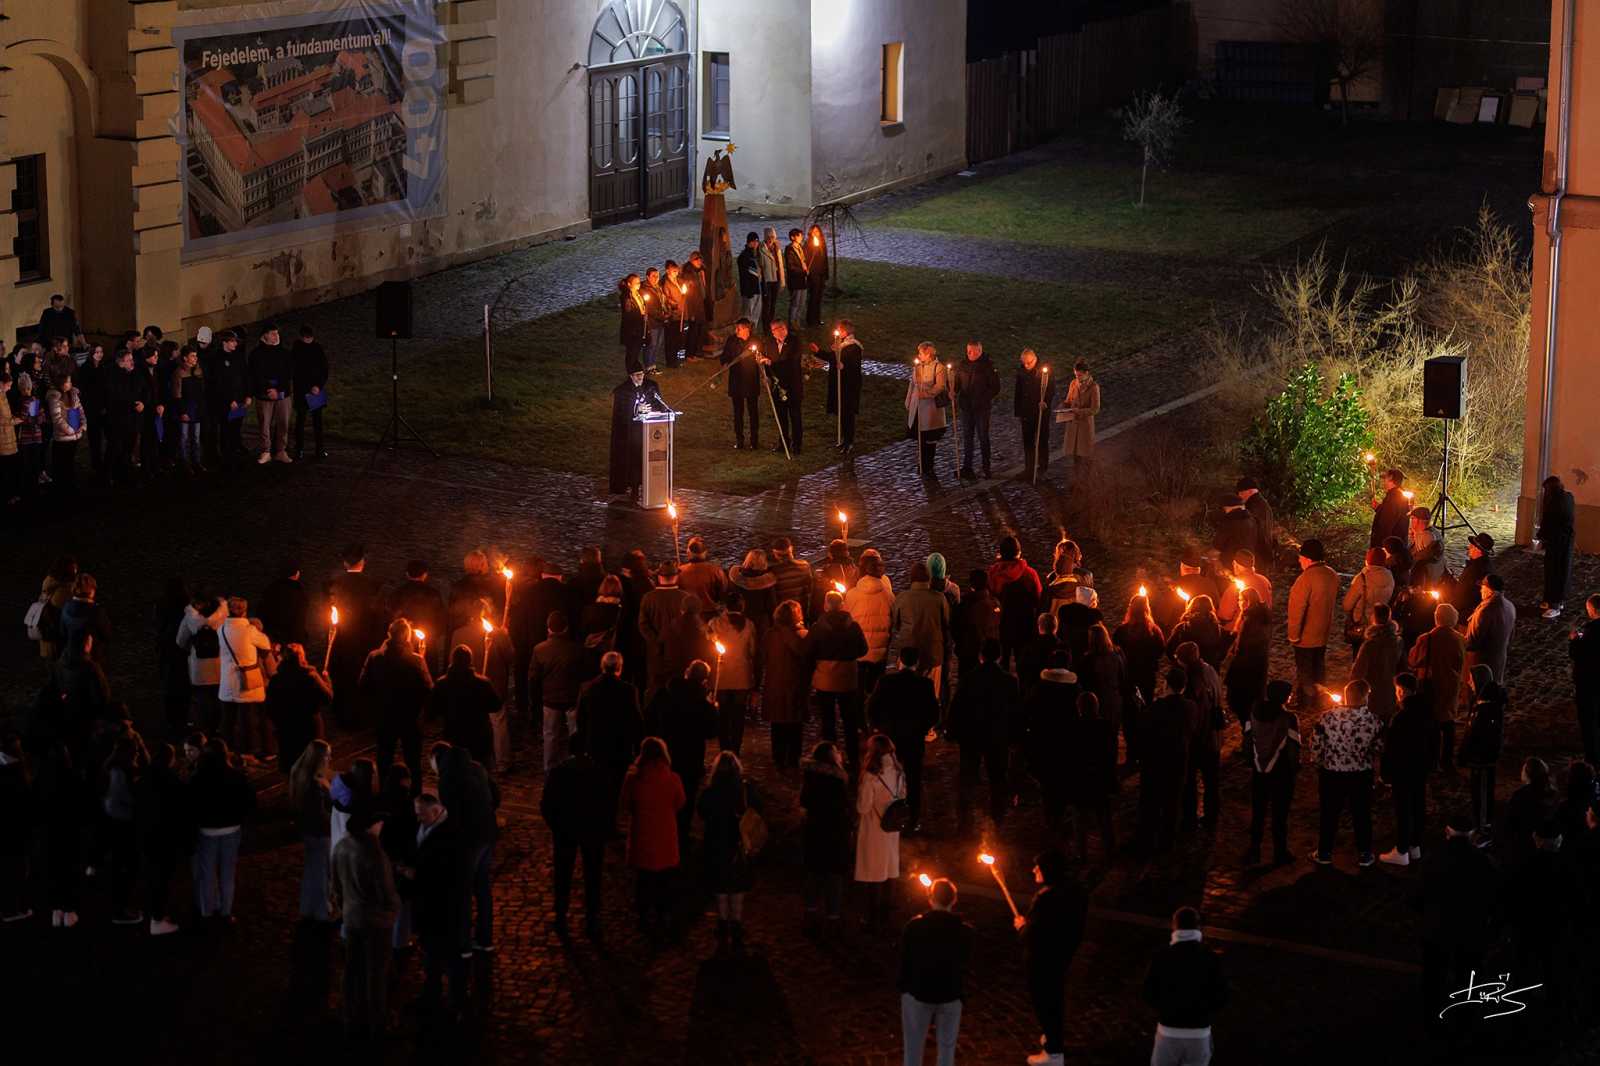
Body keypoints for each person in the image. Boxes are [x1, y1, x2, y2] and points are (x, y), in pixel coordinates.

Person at [1014, 850, 1088, 1066]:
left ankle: (1054, 1053)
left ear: (1048, 870)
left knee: (1045, 1003)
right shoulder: (1073, 892)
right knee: (1054, 999)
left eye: (1038, 866)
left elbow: (1033, 935)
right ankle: (1052, 1036)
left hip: (1043, 962)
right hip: (1061, 957)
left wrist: (1022, 927)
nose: (1034, 869)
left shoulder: (1047, 899)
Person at [332, 806, 399, 1039]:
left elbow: (336, 885)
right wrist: (392, 912)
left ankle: (350, 1015)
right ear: (369, 827)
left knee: (352, 969)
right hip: (375, 921)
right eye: (378, 822)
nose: (381, 826)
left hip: (352, 917)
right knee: (377, 973)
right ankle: (377, 1022)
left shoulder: (341, 847)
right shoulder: (375, 854)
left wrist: (344, 907)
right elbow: (386, 892)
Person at [432, 741, 499, 954]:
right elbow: (496, 796)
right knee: (483, 889)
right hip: (488, 834)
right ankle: (485, 939)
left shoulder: (447, 779)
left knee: (462, 891)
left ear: (436, 759)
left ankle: (463, 943)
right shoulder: (477, 767)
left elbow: (453, 816)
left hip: (468, 841)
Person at [540, 738, 610, 941]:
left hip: (566, 830)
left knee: (563, 874)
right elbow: (608, 803)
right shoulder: (598, 772)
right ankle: (592, 918)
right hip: (592, 830)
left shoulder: (559, 772)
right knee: (593, 875)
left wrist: (556, 826)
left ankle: (561, 917)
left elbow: (547, 805)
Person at [898, 877, 972, 1066]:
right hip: (951, 995)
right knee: (947, 1049)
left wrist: (904, 988)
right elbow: (966, 963)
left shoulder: (914, 927)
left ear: (930, 899)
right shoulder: (965, 931)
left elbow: (905, 960)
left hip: (918, 993)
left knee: (913, 1048)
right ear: (954, 900)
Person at [645, 660, 719, 845]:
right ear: (703, 680)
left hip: (666, 753)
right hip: (690, 757)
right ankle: (680, 835)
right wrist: (714, 710)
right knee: (685, 797)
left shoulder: (666, 692)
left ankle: (662, 832)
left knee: (663, 794)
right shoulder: (702, 703)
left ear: (687, 673)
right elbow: (711, 732)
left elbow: (650, 717)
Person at [1143, 906, 1229, 1066]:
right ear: (1198, 927)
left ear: (1175, 926)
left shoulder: (1161, 956)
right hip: (1199, 1031)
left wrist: (1165, 1008)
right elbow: (1222, 996)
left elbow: (1148, 993)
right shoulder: (1211, 958)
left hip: (1168, 1028)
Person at [620, 736, 685, 942]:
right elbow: (680, 802)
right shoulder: (672, 778)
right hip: (665, 837)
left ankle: (643, 915)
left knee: (644, 880)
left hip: (643, 837)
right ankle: (662, 914)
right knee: (664, 881)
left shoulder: (633, 779)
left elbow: (625, 803)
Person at [1312, 680, 1384, 866]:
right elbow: (1378, 749)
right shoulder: (1374, 721)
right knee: (1362, 814)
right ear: (1365, 696)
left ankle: (1325, 853)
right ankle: (1365, 853)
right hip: (1360, 774)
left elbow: (1316, 747)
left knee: (1329, 813)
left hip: (1331, 773)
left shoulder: (1326, 718)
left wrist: (1320, 763)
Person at [868, 648, 940, 830]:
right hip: (913, 738)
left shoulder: (886, 681)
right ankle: (913, 818)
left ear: (900, 661)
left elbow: (872, 706)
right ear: (916, 663)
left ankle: (884, 811)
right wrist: (923, 729)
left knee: (886, 773)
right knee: (914, 777)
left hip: (890, 737)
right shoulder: (925, 684)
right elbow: (933, 713)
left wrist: (878, 727)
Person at [949, 638, 1015, 835]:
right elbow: (1014, 710)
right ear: (1000, 656)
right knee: (998, 779)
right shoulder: (1009, 682)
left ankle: (965, 821)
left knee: (968, 778)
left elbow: (958, 707)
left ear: (981, 656)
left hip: (972, 736)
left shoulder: (969, 679)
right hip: (997, 737)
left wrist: (953, 730)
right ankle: (998, 819)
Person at [408, 792, 466, 1013]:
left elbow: (445, 873)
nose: (418, 819)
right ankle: (433, 993)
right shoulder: (430, 827)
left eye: (421, 814)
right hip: (431, 906)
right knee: (432, 952)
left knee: (449, 954)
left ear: (435, 811)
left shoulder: (449, 835)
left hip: (444, 907)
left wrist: (415, 874)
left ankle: (454, 1000)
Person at [698, 750, 760, 955]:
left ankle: (723, 923)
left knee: (721, 888)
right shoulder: (744, 790)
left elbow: (702, 813)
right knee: (737, 887)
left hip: (716, 845)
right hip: (738, 845)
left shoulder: (710, 792)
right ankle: (737, 924)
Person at [575, 651, 643, 831]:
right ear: (619, 668)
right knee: (614, 788)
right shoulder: (628, 690)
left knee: (596, 784)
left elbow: (580, 719)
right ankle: (609, 823)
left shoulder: (587, 688)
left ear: (602, 666)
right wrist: (637, 747)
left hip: (595, 743)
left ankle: (595, 819)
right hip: (619, 746)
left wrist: (582, 741)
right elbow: (635, 720)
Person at [190, 737, 255, 922]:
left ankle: (207, 911)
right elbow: (249, 802)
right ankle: (226, 911)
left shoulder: (198, 777)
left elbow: (191, 805)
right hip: (231, 829)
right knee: (228, 873)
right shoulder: (236, 776)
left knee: (207, 873)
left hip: (207, 831)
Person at [1242, 680, 1300, 866]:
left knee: (1258, 812)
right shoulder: (1289, 718)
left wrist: (1252, 761)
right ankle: (1280, 852)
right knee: (1279, 814)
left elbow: (1247, 739)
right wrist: (1294, 768)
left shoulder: (1253, 713)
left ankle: (1254, 850)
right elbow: (1293, 747)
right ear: (1284, 697)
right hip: (1281, 771)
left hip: (1259, 770)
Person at [1139, 668, 1194, 856]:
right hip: (1178, 759)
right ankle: (1167, 842)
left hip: (1156, 760)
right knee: (1173, 802)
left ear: (1166, 684)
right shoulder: (1190, 707)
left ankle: (1147, 840)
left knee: (1152, 801)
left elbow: (1146, 731)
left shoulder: (1157, 707)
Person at [810, 588, 870, 761]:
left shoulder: (817, 628)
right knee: (849, 720)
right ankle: (853, 756)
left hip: (825, 679)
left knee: (828, 720)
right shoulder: (853, 627)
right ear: (842, 605)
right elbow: (863, 649)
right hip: (848, 679)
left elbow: (809, 651)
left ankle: (829, 756)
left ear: (826, 606)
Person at [1378, 678, 1432, 867]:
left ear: (1402, 691)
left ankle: (1401, 850)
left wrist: (1385, 774)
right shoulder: (1427, 712)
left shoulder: (1400, 718)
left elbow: (1390, 749)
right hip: (1421, 769)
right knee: (1418, 805)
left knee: (1403, 810)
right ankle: (1415, 846)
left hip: (1403, 770)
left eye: (1397, 690)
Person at [1026, 651, 1082, 831]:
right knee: (1063, 777)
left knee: (1047, 780)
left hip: (1044, 740)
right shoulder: (1075, 688)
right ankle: (1059, 815)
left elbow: (1030, 712)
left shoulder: (1040, 687)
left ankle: (1050, 816)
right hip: (1066, 741)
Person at [855, 734, 906, 932]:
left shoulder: (871, 775)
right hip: (892, 828)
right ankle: (886, 914)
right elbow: (903, 796)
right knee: (888, 870)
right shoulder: (899, 771)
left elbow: (863, 807)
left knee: (874, 873)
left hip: (874, 828)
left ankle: (872, 918)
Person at [800, 741, 851, 933]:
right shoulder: (839, 780)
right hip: (834, 833)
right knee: (834, 877)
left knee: (814, 874)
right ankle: (833, 917)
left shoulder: (810, 777)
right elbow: (843, 807)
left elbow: (804, 800)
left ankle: (810, 914)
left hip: (814, 831)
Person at [1408, 602, 1465, 771]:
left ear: (1436, 618)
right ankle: (1446, 760)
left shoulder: (1427, 638)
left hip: (1431, 686)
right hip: (1451, 685)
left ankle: (1432, 760)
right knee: (1448, 723)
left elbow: (1414, 661)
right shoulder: (1460, 638)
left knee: (1432, 723)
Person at [216, 597, 272, 765]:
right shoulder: (249, 630)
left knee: (228, 718)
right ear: (244, 611)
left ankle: (226, 749)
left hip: (228, 680)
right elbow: (266, 644)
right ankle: (250, 751)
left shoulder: (221, 629)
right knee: (248, 719)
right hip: (246, 681)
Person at [428, 644, 500, 769]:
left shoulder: (442, 683)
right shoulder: (482, 683)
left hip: (453, 735)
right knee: (478, 772)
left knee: (455, 771)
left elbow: (433, 709)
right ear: (470, 661)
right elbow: (495, 705)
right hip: (478, 736)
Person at [1175, 642, 1223, 831]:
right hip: (1213, 736)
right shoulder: (1210, 671)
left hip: (1199, 740)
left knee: (1190, 781)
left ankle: (1190, 818)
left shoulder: (1191, 684)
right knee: (1212, 780)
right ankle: (1211, 816)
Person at [1286, 539, 1339, 709]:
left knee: (1305, 671)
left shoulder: (1305, 579)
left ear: (1307, 559)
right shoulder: (1331, 574)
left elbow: (1297, 611)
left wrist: (1293, 635)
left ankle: (1306, 703)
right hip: (1323, 633)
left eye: (1301, 558)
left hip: (1306, 636)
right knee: (1319, 667)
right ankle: (1321, 698)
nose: (1299, 561)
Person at [1455, 666, 1505, 842]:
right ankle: (1483, 824)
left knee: (1481, 793)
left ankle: (1482, 828)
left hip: (1481, 759)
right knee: (1482, 792)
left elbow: (1474, 735)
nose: (1468, 682)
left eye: (1471, 679)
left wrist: (1464, 754)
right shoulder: (1487, 704)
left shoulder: (1485, 709)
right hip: (1483, 758)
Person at [1068, 691, 1118, 863]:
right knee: (1104, 818)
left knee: (1079, 820)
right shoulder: (1106, 727)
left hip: (1081, 780)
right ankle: (1110, 850)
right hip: (1100, 778)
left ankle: (1081, 853)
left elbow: (1070, 756)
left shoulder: (1074, 727)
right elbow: (1111, 754)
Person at [890, 562, 953, 699]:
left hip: (908, 653)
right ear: (928, 578)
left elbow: (896, 624)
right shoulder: (939, 598)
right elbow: (946, 623)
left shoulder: (902, 598)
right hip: (933, 653)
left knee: (907, 694)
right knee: (932, 695)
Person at [266, 643, 331, 775]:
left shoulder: (275, 679)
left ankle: (294, 792)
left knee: (291, 767)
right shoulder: (310, 676)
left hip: (286, 730)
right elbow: (328, 697)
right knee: (312, 767)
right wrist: (326, 678)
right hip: (309, 729)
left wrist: (278, 723)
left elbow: (270, 707)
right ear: (301, 657)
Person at [288, 739, 333, 922]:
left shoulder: (299, 774)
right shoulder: (315, 784)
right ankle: (322, 911)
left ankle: (307, 908)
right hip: (320, 832)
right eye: (328, 756)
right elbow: (321, 813)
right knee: (322, 874)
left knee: (311, 871)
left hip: (306, 831)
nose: (330, 759)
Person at [607, 368, 668, 502]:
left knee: (649, 459)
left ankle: (651, 487)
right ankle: (634, 489)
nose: (640, 377)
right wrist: (636, 409)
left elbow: (659, 404)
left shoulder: (651, 386)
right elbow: (621, 413)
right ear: (630, 375)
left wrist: (655, 410)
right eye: (637, 375)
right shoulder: (623, 390)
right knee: (634, 461)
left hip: (650, 432)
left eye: (642, 374)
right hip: (632, 434)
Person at [709, 591, 758, 754]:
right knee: (738, 715)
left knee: (723, 714)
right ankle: (736, 748)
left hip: (721, 675)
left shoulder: (714, 623)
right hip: (741, 676)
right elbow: (752, 650)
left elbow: (709, 646)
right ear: (741, 606)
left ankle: (724, 748)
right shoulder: (749, 625)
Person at [845, 550, 895, 694]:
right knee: (876, 687)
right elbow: (894, 619)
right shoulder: (889, 595)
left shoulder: (852, 594)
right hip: (880, 650)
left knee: (858, 686)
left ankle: (859, 709)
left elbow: (847, 618)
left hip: (859, 649)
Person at [990, 536, 1043, 668]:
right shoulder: (1030, 574)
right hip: (1025, 624)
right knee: (1023, 661)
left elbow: (991, 596)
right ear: (1018, 553)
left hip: (1003, 623)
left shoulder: (994, 573)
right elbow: (1038, 597)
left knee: (1003, 660)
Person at [1348, 602, 1403, 723]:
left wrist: (1352, 690)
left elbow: (1358, 671)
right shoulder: (1398, 641)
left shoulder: (1370, 645)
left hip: (1372, 694)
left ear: (1374, 618)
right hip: (1390, 693)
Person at [952, 341, 999, 480]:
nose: (969, 354)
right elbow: (957, 383)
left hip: (981, 409)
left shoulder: (988, 366)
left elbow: (995, 387)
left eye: (972, 351)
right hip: (967, 407)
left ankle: (986, 467)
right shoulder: (963, 365)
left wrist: (983, 398)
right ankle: (967, 467)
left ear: (979, 351)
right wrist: (953, 390)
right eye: (968, 351)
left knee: (983, 437)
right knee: (968, 438)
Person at [815, 319, 862, 452]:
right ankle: (843, 438)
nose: (838, 332)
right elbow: (832, 357)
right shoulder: (839, 344)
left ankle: (849, 441)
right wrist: (818, 351)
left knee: (848, 412)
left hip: (848, 385)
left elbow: (854, 365)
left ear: (846, 331)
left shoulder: (854, 347)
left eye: (840, 330)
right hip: (838, 382)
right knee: (841, 411)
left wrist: (844, 366)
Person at [905, 342, 950, 477]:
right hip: (917, 408)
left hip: (930, 410)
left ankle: (928, 465)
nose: (918, 356)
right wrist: (908, 401)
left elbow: (940, 386)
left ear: (928, 354)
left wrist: (925, 394)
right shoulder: (917, 367)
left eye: (920, 353)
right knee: (920, 438)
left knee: (929, 439)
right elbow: (912, 384)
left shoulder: (939, 367)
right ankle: (922, 464)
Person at [1464, 573, 1516, 684]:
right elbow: (1511, 636)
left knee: (1479, 690)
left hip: (1482, 661)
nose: (1480, 591)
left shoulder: (1485, 611)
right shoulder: (1510, 606)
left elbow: (1473, 641)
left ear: (1489, 590)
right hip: (1500, 659)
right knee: (1494, 687)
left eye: (1482, 588)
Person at [762, 319, 805, 453]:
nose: (773, 333)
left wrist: (771, 363)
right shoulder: (770, 342)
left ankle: (797, 444)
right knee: (781, 416)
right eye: (772, 330)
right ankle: (783, 442)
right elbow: (766, 357)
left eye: (775, 330)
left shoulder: (794, 342)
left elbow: (791, 362)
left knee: (795, 415)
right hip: (777, 385)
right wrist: (764, 367)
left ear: (783, 329)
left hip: (792, 385)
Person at [1342, 548, 1395, 654]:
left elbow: (1347, 605)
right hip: (1380, 622)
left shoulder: (1362, 578)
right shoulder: (1390, 576)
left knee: (1359, 654)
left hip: (1362, 623)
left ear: (1368, 559)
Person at [1014, 348, 1056, 481]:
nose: (1026, 366)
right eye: (1024, 363)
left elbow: (1050, 389)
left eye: (1029, 363)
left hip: (1040, 412)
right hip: (1026, 412)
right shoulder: (1021, 371)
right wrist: (1018, 411)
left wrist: (1045, 402)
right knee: (1028, 442)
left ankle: (1043, 467)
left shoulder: (1044, 370)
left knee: (1042, 440)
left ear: (1035, 359)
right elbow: (1018, 392)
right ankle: (1029, 468)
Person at [719, 318, 761, 450]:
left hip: (751, 381)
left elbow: (761, 357)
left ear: (747, 329)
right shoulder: (732, 340)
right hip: (736, 381)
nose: (736, 330)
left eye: (739, 328)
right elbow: (724, 356)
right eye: (736, 328)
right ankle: (740, 440)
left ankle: (754, 440)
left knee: (753, 412)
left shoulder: (756, 341)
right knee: (738, 412)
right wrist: (725, 363)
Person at [1538, 474, 1576, 618]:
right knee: (1557, 571)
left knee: (1556, 572)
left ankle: (1555, 604)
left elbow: (1549, 522)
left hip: (1557, 542)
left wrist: (1542, 536)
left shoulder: (1555, 502)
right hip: (1563, 541)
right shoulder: (1568, 496)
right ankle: (1552, 600)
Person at [289, 324, 328, 460]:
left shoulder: (317, 348)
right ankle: (299, 449)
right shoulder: (296, 349)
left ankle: (319, 449)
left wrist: (318, 386)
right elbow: (296, 373)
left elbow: (324, 369)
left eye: (310, 338)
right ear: (301, 337)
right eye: (306, 338)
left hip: (315, 391)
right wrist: (309, 388)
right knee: (301, 420)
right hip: (302, 391)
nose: (309, 340)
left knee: (317, 421)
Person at [1570, 594, 1600, 764]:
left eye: (1588, 609)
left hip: (1589, 684)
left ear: (1593, 610)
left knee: (1589, 721)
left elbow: (1577, 654)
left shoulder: (1590, 631)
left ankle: (1592, 759)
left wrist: (1574, 641)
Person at [1061, 360, 1100, 466]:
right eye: (1075, 375)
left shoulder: (1093, 387)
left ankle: (1086, 479)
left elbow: (1095, 409)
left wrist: (1080, 411)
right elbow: (1069, 400)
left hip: (1084, 426)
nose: (1077, 377)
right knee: (1074, 455)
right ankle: (1077, 478)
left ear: (1086, 373)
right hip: (1073, 424)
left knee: (1085, 455)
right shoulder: (1073, 383)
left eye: (1079, 375)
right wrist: (1063, 407)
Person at [1235, 477, 1275, 566]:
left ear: (1250, 491)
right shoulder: (1263, 504)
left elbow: (1249, 529)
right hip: (1263, 552)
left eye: (1241, 493)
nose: (1239, 496)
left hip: (1256, 554)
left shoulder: (1253, 506)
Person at [1369, 468, 1410, 548]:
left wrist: (1380, 545)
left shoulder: (1395, 497)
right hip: (1395, 542)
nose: (1384, 480)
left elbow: (1387, 522)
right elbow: (1390, 513)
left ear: (1391, 478)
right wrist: (1378, 508)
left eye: (1386, 478)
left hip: (1391, 545)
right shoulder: (1397, 495)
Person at [681, 249, 710, 360]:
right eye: (697, 260)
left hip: (700, 304)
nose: (699, 262)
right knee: (693, 331)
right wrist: (691, 311)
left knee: (699, 330)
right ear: (692, 260)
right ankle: (690, 354)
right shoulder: (689, 273)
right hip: (694, 306)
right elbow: (690, 294)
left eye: (700, 260)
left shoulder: (699, 271)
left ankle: (697, 352)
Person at [618, 273, 650, 372]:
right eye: (636, 283)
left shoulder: (637, 294)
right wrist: (641, 316)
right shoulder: (626, 296)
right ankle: (631, 372)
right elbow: (629, 314)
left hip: (639, 328)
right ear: (629, 284)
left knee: (636, 352)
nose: (638, 285)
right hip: (632, 330)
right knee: (632, 352)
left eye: (639, 283)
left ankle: (635, 370)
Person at [759, 226, 785, 329]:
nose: (771, 239)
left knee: (773, 304)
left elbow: (780, 265)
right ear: (765, 237)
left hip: (776, 279)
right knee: (767, 304)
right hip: (767, 280)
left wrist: (782, 280)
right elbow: (760, 265)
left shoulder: (777, 248)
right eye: (769, 236)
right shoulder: (761, 248)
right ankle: (766, 326)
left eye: (773, 236)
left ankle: (771, 325)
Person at [783, 227, 809, 325]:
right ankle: (792, 323)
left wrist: (806, 269)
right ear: (793, 237)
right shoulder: (789, 249)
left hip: (803, 280)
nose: (801, 237)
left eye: (801, 235)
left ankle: (797, 322)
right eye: (799, 235)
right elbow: (791, 267)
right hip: (795, 280)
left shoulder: (800, 247)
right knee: (795, 303)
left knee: (802, 303)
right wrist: (802, 271)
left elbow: (803, 261)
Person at [736, 232, 763, 324]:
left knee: (756, 314)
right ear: (749, 242)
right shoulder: (744, 256)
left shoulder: (755, 255)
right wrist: (748, 292)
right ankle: (745, 333)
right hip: (749, 291)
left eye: (757, 241)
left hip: (757, 289)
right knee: (747, 314)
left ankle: (753, 332)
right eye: (754, 241)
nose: (756, 243)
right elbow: (745, 276)